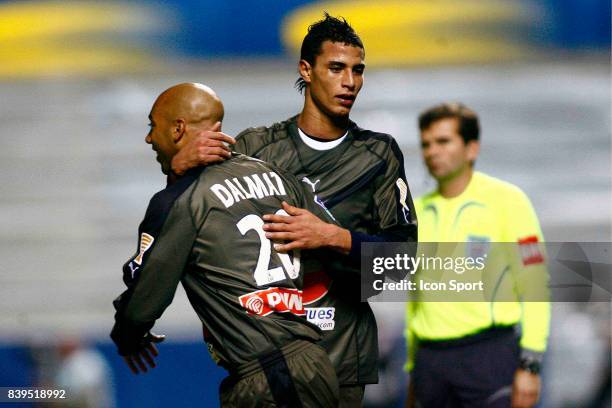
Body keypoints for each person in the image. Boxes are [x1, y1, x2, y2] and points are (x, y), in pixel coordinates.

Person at [171, 14, 418, 406]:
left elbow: (403, 260)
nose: (349, 81)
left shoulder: (379, 155)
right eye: (336, 68)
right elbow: (195, 229)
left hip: (341, 359)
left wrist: (331, 237)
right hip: (264, 363)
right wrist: (181, 165)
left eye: (358, 70)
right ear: (306, 69)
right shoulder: (255, 148)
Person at [110, 82, 340, 407]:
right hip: (314, 363)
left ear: (177, 129)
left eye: (152, 125)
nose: (149, 138)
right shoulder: (281, 178)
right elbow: (336, 251)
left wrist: (127, 336)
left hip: (267, 377)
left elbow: (145, 299)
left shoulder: (181, 200)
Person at [404, 103, 551, 408]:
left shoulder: (507, 200)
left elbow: (535, 282)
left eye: (443, 141)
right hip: (430, 364)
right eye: (426, 144)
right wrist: (411, 369)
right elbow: (416, 298)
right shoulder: (414, 212)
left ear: (472, 148)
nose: (432, 151)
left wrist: (531, 363)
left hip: (489, 357)